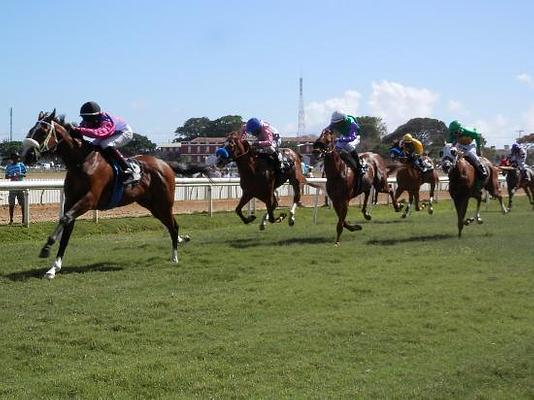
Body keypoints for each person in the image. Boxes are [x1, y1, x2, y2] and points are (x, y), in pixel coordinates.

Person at [71, 101, 140, 185]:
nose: (86, 121)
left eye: (88, 119)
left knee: (106, 144)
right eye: (84, 118)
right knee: (93, 145)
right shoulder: (89, 120)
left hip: (124, 132)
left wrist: (80, 130)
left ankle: (128, 169)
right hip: (111, 134)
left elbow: (100, 132)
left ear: (96, 116)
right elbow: (81, 128)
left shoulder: (106, 120)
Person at [327, 111, 364, 176]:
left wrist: (340, 139)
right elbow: (327, 129)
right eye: (335, 123)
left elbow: (352, 137)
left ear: (344, 120)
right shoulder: (335, 122)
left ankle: (359, 167)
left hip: (354, 137)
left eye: (338, 123)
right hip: (344, 135)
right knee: (336, 149)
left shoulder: (352, 124)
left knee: (349, 146)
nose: (337, 124)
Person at [5, 152, 27, 224]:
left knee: (23, 204)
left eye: (17, 158)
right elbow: (6, 176)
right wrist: (11, 176)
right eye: (14, 158)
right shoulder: (8, 167)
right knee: (11, 204)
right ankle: (11, 220)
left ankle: (24, 219)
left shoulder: (21, 165)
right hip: (12, 187)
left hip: (20, 186)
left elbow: (25, 174)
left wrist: (20, 174)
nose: (16, 159)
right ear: (12, 159)